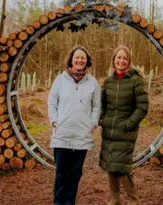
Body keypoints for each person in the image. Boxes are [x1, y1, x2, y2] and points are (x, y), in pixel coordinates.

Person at [48, 45, 101, 205]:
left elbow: (96, 106)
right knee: (61, 173)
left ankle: (70, 202)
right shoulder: (60, 80)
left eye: (82, 58)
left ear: (87, 62)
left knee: (75, 173)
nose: (79, 60)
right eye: (77, 57)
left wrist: (92, 123)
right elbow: (52, 102)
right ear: (71, 60)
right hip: (62, 134)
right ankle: (58, 202)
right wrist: (55, 121)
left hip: (82, 136)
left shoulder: (93, 83)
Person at [99, 45, 149, 205]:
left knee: (121, 167)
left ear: (129, 61)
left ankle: (133, 200)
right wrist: (102, 119)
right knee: (110, 165)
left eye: (124, 58)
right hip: (109, 131)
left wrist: (129, 124)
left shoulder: (135, 80)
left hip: (126, 130)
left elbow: (142, 107)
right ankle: (115, 199)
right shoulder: (108, 81)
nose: (121, 61)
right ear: (113, 60)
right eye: (118, 57)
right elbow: (103, 105)